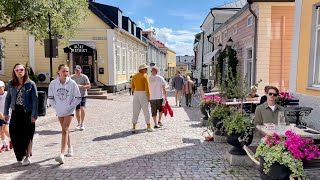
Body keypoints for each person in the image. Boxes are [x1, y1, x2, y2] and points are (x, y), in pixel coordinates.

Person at [4, 63, 38, 166]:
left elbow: (35, 100)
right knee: (14, 134)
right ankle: (20, 155)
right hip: (16, 111)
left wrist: (34, 114)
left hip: (27, 112)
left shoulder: (30, 84)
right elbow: (8, 98)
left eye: (21, 70)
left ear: (25, 71)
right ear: (14, 71)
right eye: (17, 70)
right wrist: (6, 112)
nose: (19, 72)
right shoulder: (11, 84)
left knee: (27, 135)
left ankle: (27, 156)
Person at [48, 64, 81, 164]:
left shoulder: (72, 83)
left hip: (69, 110)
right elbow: (51, 98)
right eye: (64, 71)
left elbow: (78, 97)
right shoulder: (53, 84)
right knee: (64, 130)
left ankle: (61, 154)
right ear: (58, 72)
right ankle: (70, 147)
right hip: (59, 110)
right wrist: (56, 107)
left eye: (67, 71)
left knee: (65, 129)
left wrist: (70, 106)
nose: (66, 73)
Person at [131, 64, 153, 133]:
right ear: (142, 70)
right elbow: (147, 87)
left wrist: (134, 92)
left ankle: (134, 126)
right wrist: (149, 96)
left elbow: (132, 86)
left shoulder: (134, 76)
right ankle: (148, 126)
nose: (146, 70)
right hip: (143, 93)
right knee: (146, 110)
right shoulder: (145, 76)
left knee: (135, 110)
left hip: (136, 93)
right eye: (145, 69)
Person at [71, 65, 91, 131]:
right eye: (76, 70)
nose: (77, 71)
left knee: (82, 108)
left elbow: (89, 86)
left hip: (83, 95)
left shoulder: (84, 77)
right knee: (77, 110)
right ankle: (78, 123)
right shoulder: (72, 77)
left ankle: (82, 123)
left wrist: (81, 86)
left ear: (80, 70)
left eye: (78, 70)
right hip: (75, 96)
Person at [0, 81, 12, 153]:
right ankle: (4, 145)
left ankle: (12, 140)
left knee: (5, 129)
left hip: (6, 115)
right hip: (0, 115)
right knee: (0, 130)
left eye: (0, 87)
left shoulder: (7, 95)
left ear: (3, 87)